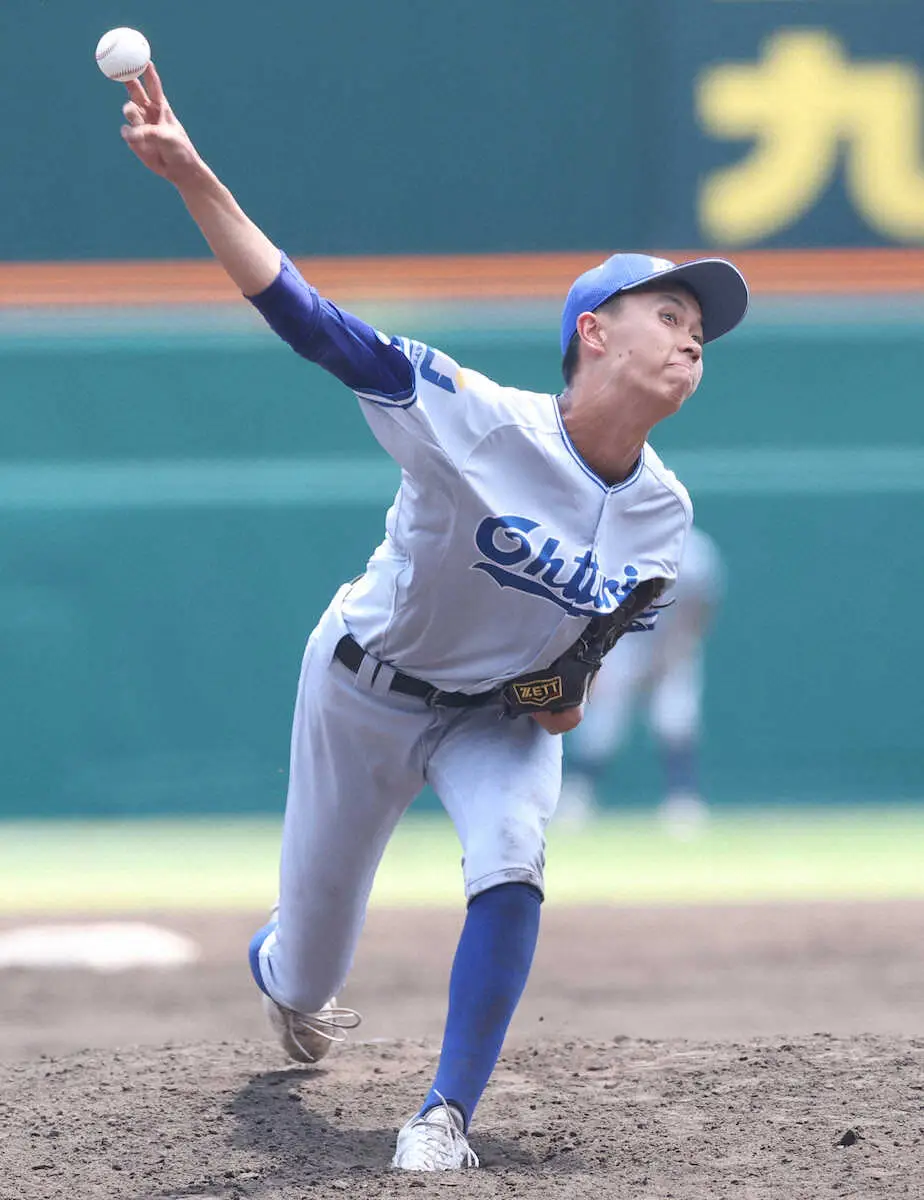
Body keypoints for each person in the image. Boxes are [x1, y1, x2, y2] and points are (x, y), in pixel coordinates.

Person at [114, 64, 749, 1172]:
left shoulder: (664, 516)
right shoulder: (475, 418)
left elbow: (572, 688)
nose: (695, 337)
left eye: (703, 328)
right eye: (672, 313)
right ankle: (284, 972)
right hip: (362, 689)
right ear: (594, 332)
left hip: (491, 720)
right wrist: (195, 179)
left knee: (514, 849)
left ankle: (444, 1112)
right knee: (308, 976)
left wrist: (561, 698)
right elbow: (309, 321)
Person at [559, 525, 725, 837]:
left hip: (674, 639)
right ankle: (578, 794)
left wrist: (675, 649)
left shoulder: (693, 548)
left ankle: (683, 799)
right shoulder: (614, 542)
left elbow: (699, 606)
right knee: (602, 722)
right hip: (622, 642)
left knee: (674, 717)